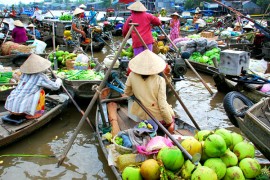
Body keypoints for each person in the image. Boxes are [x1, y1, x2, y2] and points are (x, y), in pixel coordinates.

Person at [124, 49, 175, 133]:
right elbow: (162, 105)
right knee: (172, 118)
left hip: (142, 113)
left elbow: (127, 92)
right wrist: (170, 122)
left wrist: (138, 94)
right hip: (156, 117)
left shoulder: (132, 75)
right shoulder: (159, 80)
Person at [5, 54, 62, 119]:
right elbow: (55, 87)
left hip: (10, 107)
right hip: (20, 111)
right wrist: (59, 80)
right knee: (41, 92)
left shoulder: (24, 74)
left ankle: (21, 110)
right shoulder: (41, 77)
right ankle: (36, 113)